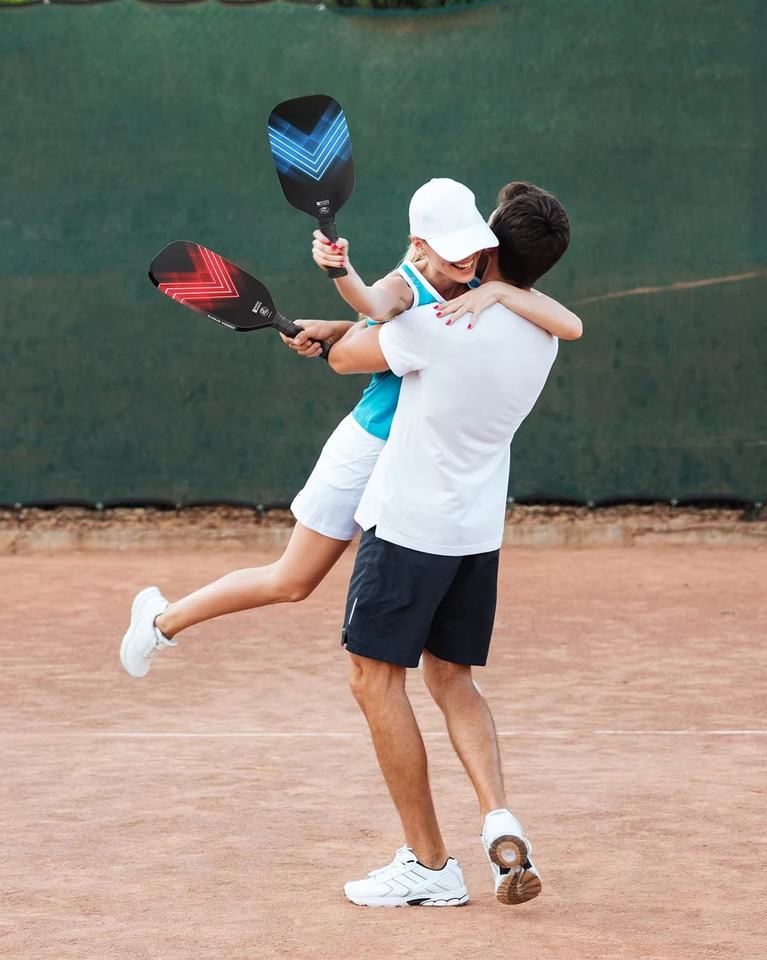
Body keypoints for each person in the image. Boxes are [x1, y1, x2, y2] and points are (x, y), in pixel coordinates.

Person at [119, 179, 580, 679]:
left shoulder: (479, 280)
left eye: (472, 243)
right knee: (292, 581)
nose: (466, 255)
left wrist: (492, 290)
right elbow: (376, 307)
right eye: (453, 247)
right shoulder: (405, 283)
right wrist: (342, 272)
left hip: (419, 463)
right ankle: (161, 622)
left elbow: (569, 324)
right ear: (422, 245)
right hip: (369, 445)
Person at [303, 181, 571, 907]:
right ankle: (499, 818)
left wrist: (335, 324)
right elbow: (562, 318)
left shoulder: (435, 325)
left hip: (408, 529)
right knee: (453, 680)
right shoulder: (543, 334)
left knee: (373, 680)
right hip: (476, 536)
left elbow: (349, 359)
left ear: (490, 243)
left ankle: (428, 866)